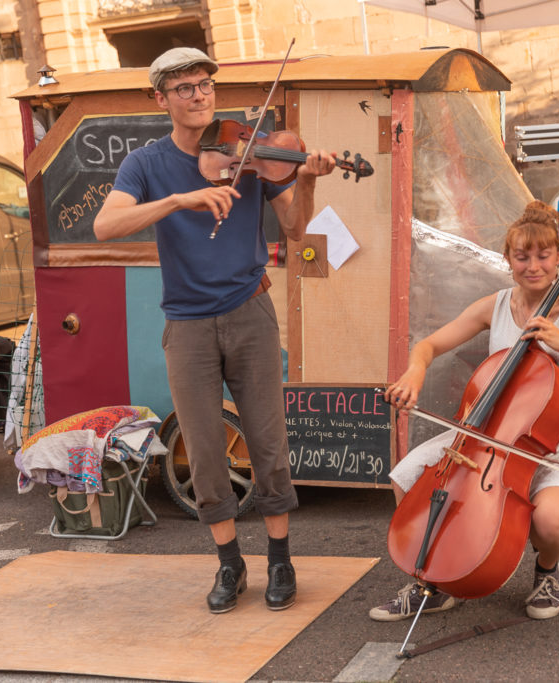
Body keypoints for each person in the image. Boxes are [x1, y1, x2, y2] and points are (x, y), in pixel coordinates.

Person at [93, 47, 336, 613]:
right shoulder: (146, 163)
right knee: (203, 451)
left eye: (205, 84)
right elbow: (106, 225)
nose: (200, 95)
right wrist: (179, 199)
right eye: (185, 88)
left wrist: (309, 180)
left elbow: (296, 227)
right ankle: (230, 565)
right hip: (188, 324)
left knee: (268, 441)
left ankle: (280, 559)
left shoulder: (249, 147)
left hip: (249, 312)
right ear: (161, 99)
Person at [369, 201, 559, 622]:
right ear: (508, 260)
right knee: (408, 479)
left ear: (558, 258)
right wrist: (414, 373)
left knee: (549, 523)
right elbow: (429, 346)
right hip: (490, 433)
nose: (533, 266)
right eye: (522, 257)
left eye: (543, 256)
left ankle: (547, 572)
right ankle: (434, 583)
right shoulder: (493, 306)